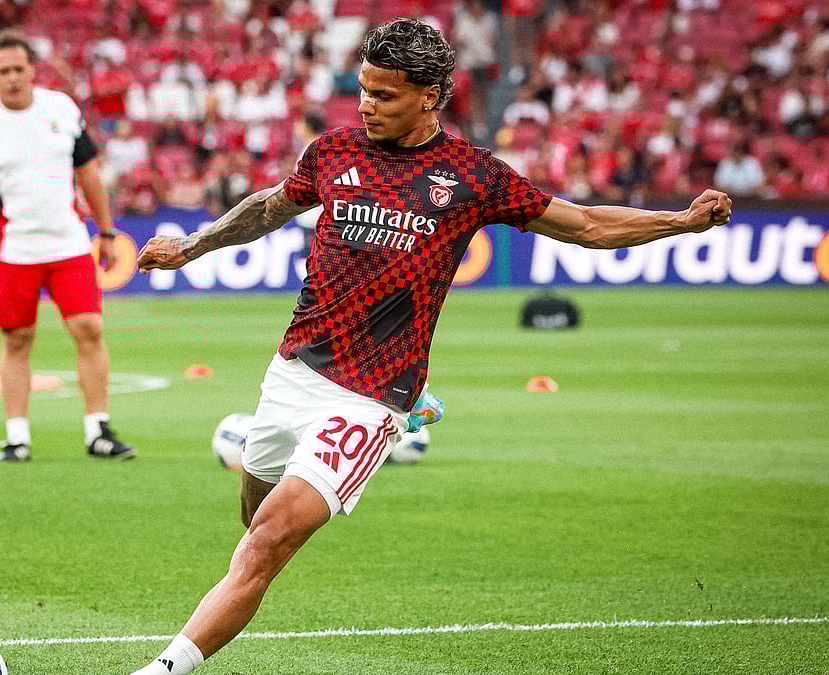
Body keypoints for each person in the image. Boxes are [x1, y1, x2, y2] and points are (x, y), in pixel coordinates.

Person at [132, 18, 733, 674]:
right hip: (292, 372)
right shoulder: (331, 153)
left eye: (384, 96)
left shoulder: (471, 176)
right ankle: (248, 579)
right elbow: (267, 209)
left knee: (267, 541)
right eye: (362, 90)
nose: (366, 105)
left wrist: (679, 220)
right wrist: (191, 246)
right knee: (254, 523)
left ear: (429, 97)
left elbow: (584, 224)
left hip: (368, 399)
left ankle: (164, 667)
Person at [0, 29, 135, 462]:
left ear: (31, 70)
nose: (11, 78)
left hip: (68, 241)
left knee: (89, 328)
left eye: (18, 69)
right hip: (13, 249)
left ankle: (98, 431)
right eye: (2, 71)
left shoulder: (61, 109)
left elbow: (89, 174)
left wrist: (105, 231)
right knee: (17, 338)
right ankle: (17, 436)